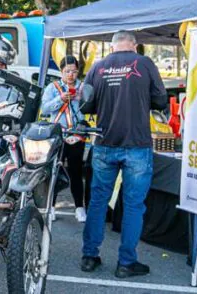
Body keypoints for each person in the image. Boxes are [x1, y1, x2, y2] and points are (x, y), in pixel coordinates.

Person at [80, 31, 167, 278]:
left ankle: (89, 257)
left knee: (97, 202)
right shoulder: (145, 63)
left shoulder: (98, 67)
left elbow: (85, 105)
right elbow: (161, 101)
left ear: (112, 46)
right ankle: (126, 263)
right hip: (137, 145)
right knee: (133, 206)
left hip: (105, 142)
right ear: (135, 45)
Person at [41, 55, 87, 223]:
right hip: (57, 135)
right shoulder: (52, 88)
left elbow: (90, 107)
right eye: (67, 71)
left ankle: (79, 208)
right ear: (61, 71)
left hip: (76, 135)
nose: (71, 75)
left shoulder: (82, 88)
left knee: (76, 172)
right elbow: (44, 109)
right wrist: (59, 99)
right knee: (54, 171)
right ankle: (51, 207)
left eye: (74, 71)